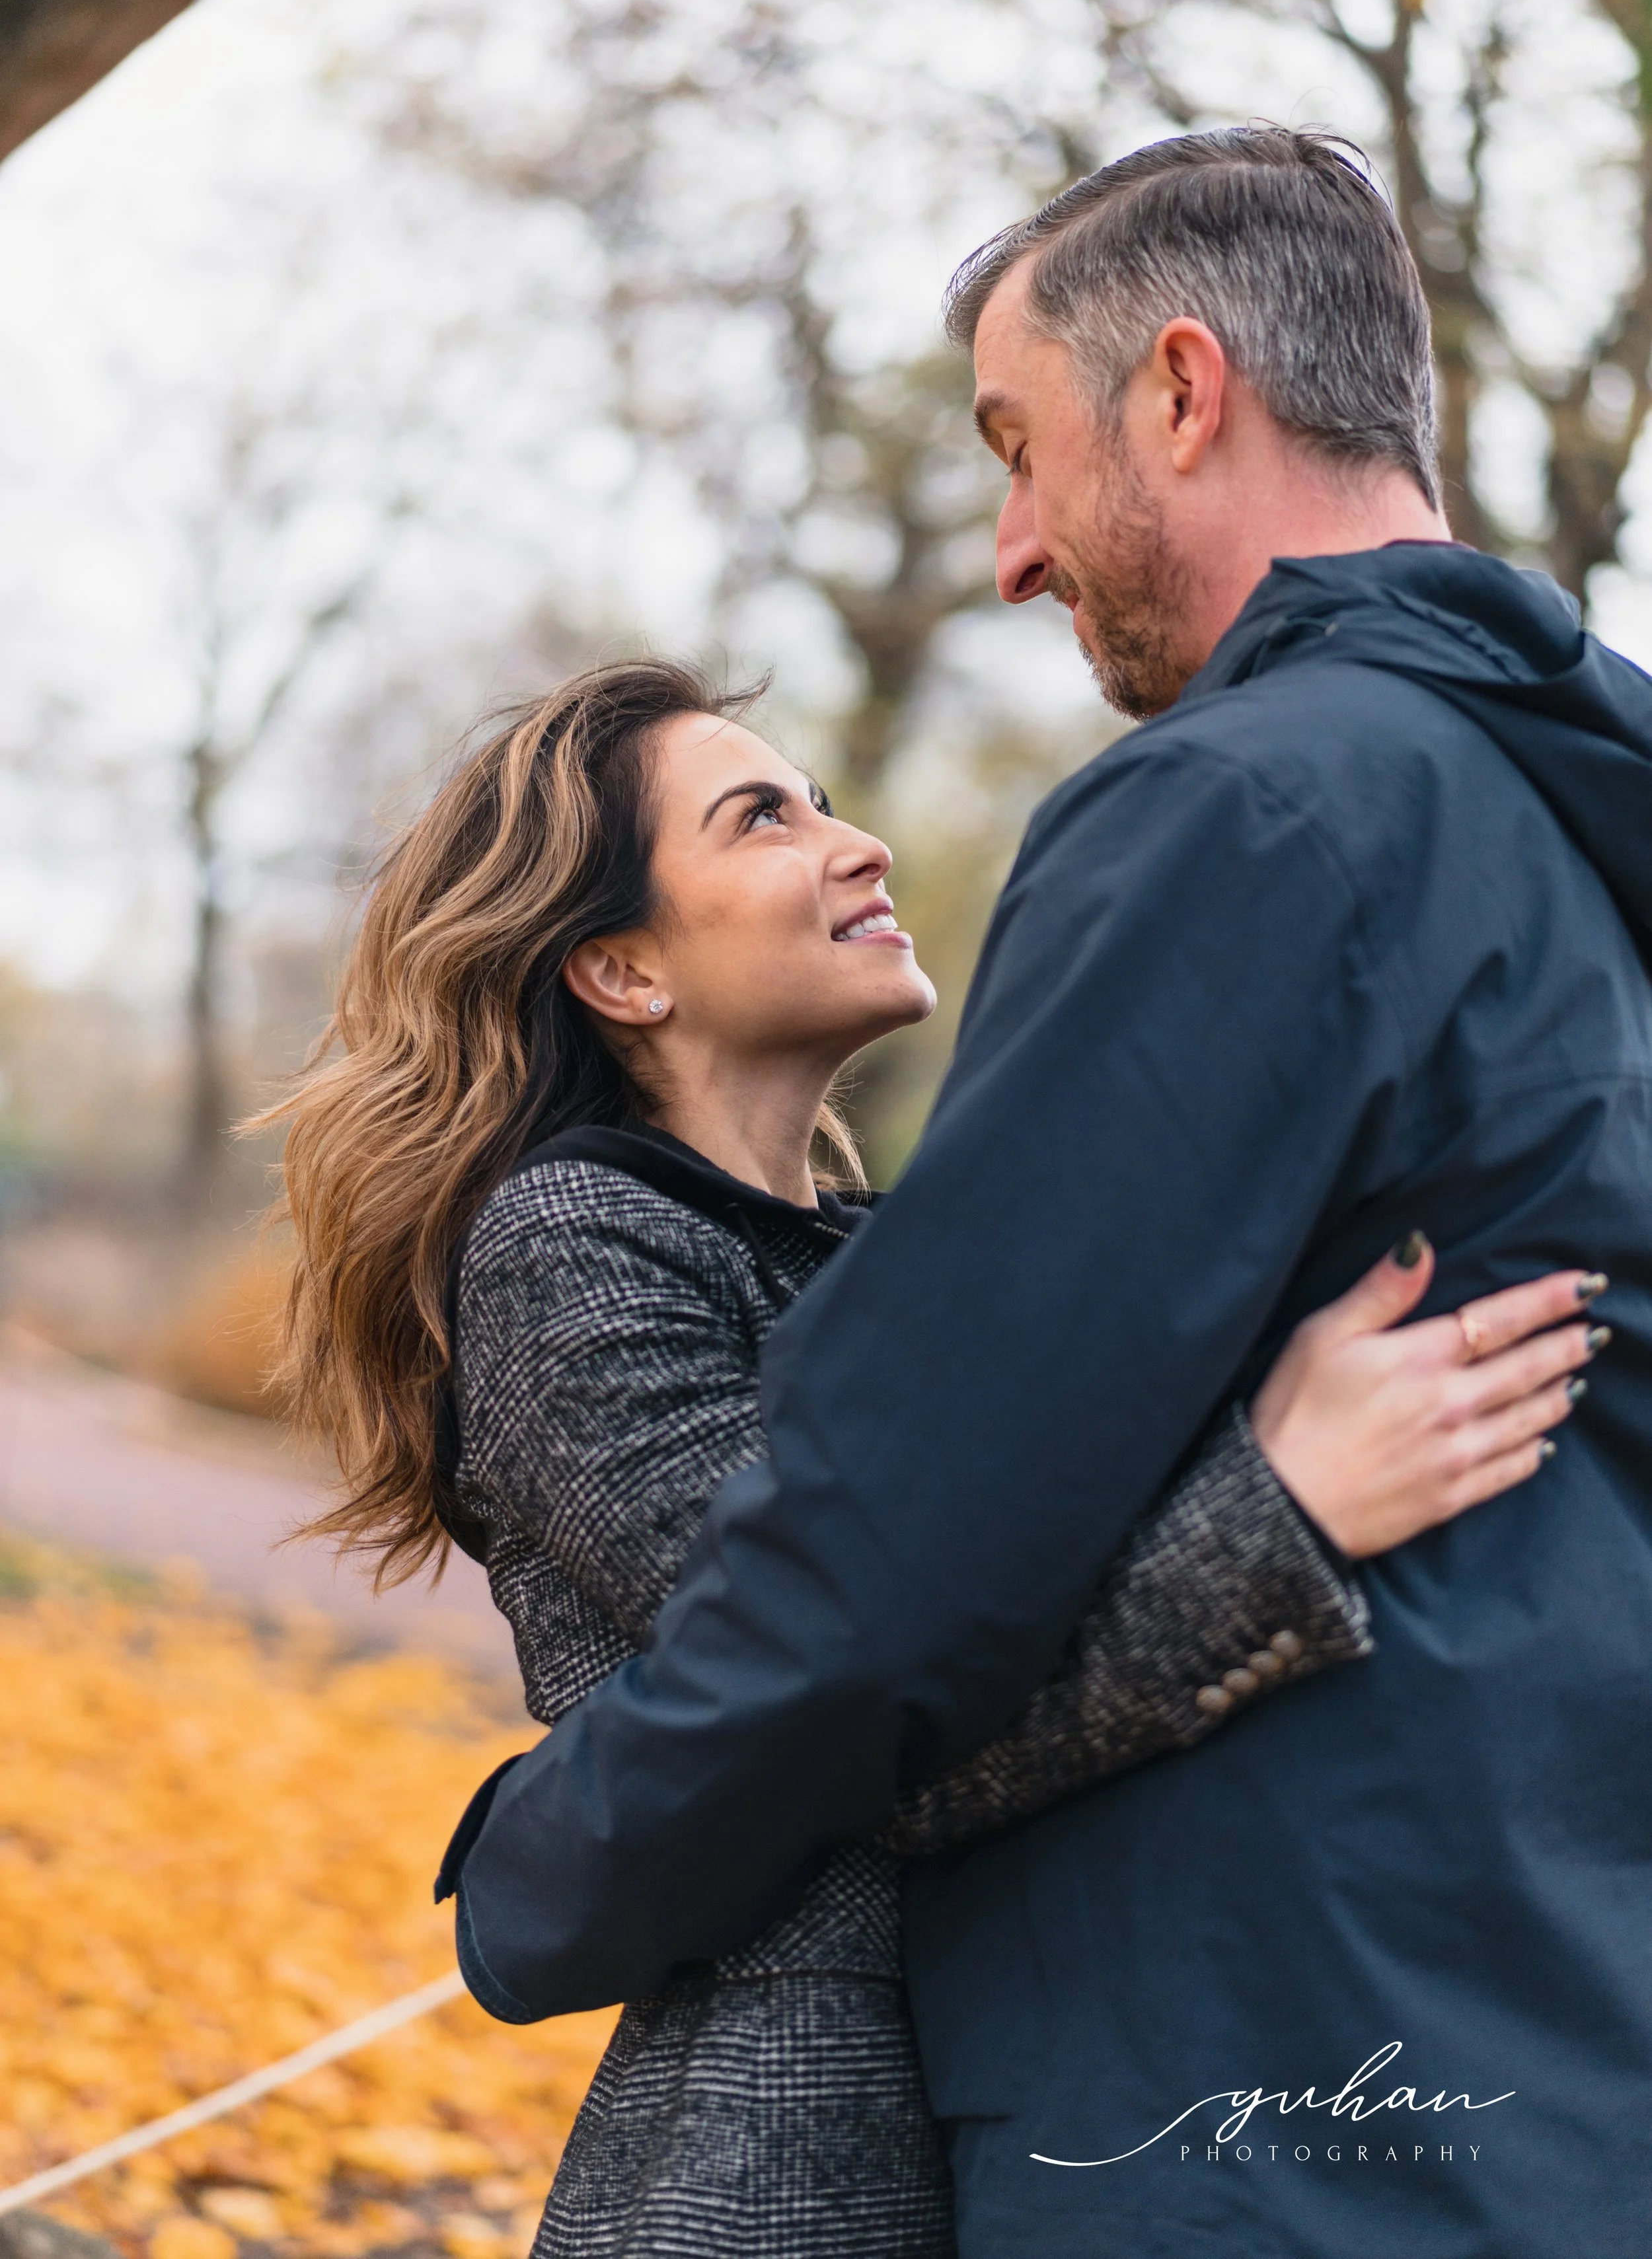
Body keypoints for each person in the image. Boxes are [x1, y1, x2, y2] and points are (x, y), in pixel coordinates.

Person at [443, 126, 1652, 2259]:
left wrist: (549, 1875)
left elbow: (888, 1559)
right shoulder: (1576, 830)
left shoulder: (1248, 813)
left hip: (1263, 2083)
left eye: (1021, 446)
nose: (1010, 548)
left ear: (1183, 392)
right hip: (1553, 2041)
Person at [270, 660, 1585, 2259]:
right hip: (800, 2129)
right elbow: (842, 1702)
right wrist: (1280, 1512)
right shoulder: (570, 1244)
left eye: (822, 797)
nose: (859, 843)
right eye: (761, 817)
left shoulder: (885, 1260)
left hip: (1061, 2062)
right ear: (620, 968)